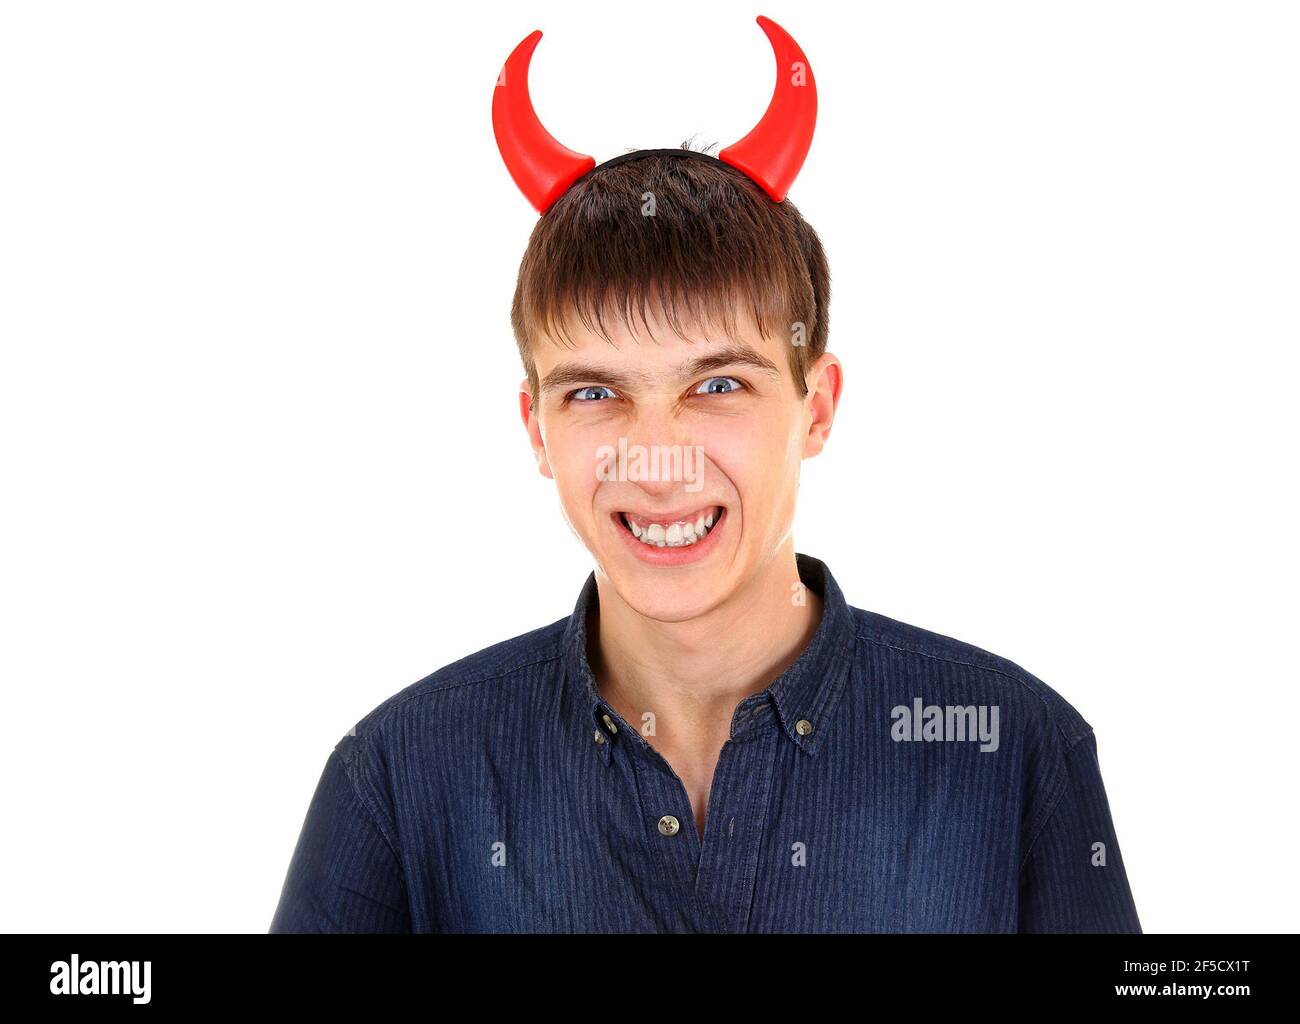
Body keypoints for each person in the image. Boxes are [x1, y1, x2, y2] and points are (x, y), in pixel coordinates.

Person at [270, 16, 1140, 933]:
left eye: (717, 383)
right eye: (596, 392)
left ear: (818, 405)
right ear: (536, 428)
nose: (659, 457)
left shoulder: (1014, 752)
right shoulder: (400, 779)